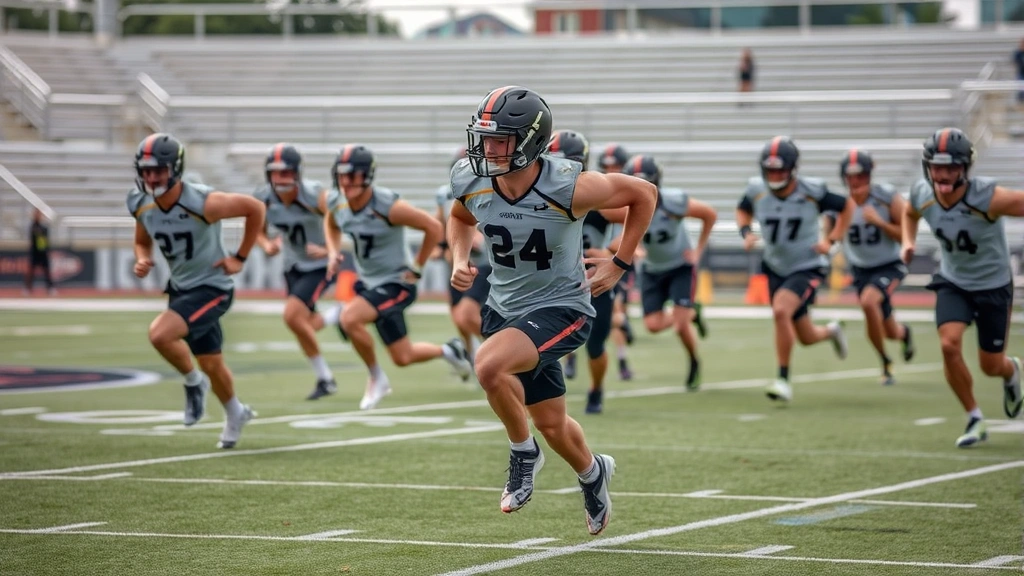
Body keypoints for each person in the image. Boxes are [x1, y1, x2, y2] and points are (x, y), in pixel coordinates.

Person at [449, 86, 656, 535]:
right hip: (505, 310)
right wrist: (458, 257)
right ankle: (592, 472)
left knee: (487, 367)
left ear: (529, 141)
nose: (488, 149)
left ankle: (523, 452)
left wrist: (621, 262)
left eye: (500, 139)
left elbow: (644, 193)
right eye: (484, 138)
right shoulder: (471, 177)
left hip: (562, 308)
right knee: (552, 423)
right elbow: (461, 217)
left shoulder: (569, 184)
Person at [127, 133, 263, 449]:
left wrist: (240, 257)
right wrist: (143, 258)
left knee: (160, 334)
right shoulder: (141, 202)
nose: (151, 177)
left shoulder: (202, 202)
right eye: (145, 170)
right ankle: (236, 412)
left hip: (212, 288)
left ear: (175, 168)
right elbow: (141, 238)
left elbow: (255, 208)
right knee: (213, 364)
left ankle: (192, 382)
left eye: (157, 170)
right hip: (181, 288)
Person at [324, 144, 473, 410]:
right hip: (370, 283)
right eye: (342, 175)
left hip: (397, 283)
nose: (346, 181)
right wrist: (333, 251)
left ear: (367, 175)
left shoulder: (387, 206)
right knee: (403, 356)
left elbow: (432, 226)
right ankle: (450, 351)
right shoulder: (338, 202)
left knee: (349, 318)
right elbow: (330, 222)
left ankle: (376, 378)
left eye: (353, 175)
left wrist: (417, 266)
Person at [902, 127, 1022, 448]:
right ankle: (975, 417)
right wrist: (907, 241)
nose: (942, 174)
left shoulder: (988, 197)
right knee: (949, 345)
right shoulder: (921, 193)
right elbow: (909, 213)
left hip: (993, 284)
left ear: (964, 168)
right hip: (953, 280)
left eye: (951, 167)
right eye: (936, 166)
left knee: (991, 365)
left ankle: (1011, 373)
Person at [736, 135, 853, 403]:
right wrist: (746, 232)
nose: (775, 175)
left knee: (780, 311)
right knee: (806, 336)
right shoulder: (757, 189)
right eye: (770, 170)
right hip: (776, 265)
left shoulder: (812, 190)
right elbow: (742, 209)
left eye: (780, 169)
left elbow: (847, 206)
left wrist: (831, 240)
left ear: (792, 169)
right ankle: (831, 331)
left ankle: (783, 379)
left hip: (807, 265)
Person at [255, 143, 342, 401]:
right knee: (304, 324)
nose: (280, 178)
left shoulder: (316, 195)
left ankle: (326, 378)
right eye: (275, 172)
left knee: (292, 317)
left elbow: (342, 221)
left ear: (297, 173)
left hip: (320, 267)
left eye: (286, 172)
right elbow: (258, 229)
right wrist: (266, 244)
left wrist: (328, 249)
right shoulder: (264, 198)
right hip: (292, 266)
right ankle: (337, 315)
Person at [623, 154, 716, 391]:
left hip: (679, 268)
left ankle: (694, 362)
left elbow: (709, 214)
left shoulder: (673, 202)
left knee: (680, 326)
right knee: (652, 325)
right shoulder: (623, 207)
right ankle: (692, 314)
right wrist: (635, 249)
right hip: (653, 270)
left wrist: (698, 250)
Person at [547, 129, 623, 414]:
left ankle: (596, 388)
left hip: (592, 283)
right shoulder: (542, 198)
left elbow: (637, 209)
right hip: (554, 282)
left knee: (595, 346)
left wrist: (616, 253)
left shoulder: (594, 199)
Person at [827, 149, 914, 386]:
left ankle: (885, 362)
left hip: (888, 265)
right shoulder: (839, 205)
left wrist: (880, 222)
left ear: (869, 175)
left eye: (860, 176)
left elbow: (906, 234)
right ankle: (905, 334)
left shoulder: (887, 197)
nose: (855, 182)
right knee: (890, 331)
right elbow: (829, 236)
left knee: (868, 302)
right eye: (850, 177)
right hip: (860, 269)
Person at [435, 145, 488, 372]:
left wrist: (478, 238)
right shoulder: (445, 193)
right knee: (458, 317)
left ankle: (502, 352)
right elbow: (442, 221)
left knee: (467, 314)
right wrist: (441, 246)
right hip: (458, 263)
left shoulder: (490, 189)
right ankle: (471, 357)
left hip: (484, 263)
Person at [597, 143, 637, 381]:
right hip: (590, 259)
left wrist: (619, 248)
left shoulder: (628, 192)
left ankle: (622, 359)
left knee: (615, 314)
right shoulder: (595, 189)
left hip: (616, 259)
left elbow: (636, 220)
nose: (611, 170)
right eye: (607, 166)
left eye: (616, 166)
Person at [23, 208, 55, 296]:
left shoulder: (44, 227)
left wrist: (46, 250)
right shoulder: (33, 226)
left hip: (43, 252)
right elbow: (33, 235)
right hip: (34, 252)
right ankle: (28, 289)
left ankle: (50, 288)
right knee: (31, 272)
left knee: (47, 271)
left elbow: (45, 239)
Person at [1014, 38, 1024, 103]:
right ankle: (1020, 102)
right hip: (1021, 73)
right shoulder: (1018, 53)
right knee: (1021, 89)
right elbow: (1015, 62)